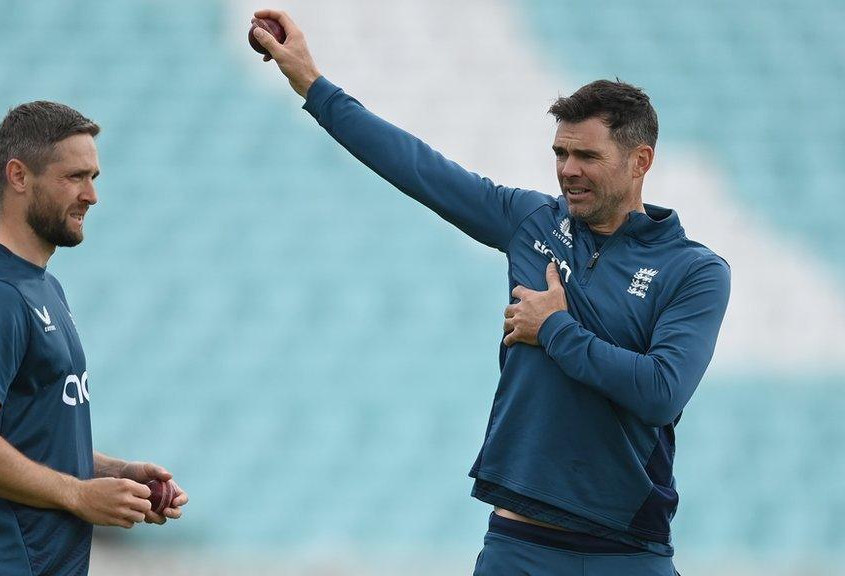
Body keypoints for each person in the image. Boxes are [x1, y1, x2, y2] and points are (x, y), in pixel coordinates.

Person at [252, 10, 729, 575]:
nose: (568, 170)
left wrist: (554, 330)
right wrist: (311, 82)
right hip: (517, 545)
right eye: (560, 153)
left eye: (588, 157)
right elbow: (415, 166)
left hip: (627, 552)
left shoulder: (694, 271)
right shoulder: (530, 220)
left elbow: (660, 393)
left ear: (640, 161)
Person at [0, 101, 188, 576]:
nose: (92, 196)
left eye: (95, 177)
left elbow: (27, 435)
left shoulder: (38, 285)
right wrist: (79, 494)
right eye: (75, 177)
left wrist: (114, 473)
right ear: (19, 176)